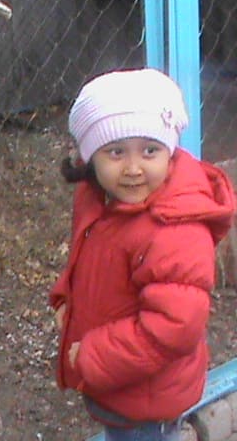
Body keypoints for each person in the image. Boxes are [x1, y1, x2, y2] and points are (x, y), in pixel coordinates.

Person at [49, 68, 236, 441]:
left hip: (148, 395)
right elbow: (89, 261)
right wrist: (67, 300)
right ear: (91, 157)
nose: (133, 168)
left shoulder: (174, 230)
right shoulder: (98, 198)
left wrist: (92, 355)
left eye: (150, 150)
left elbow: (174, 327)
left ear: (169, 151)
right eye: (116, 152)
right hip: (121, 381)